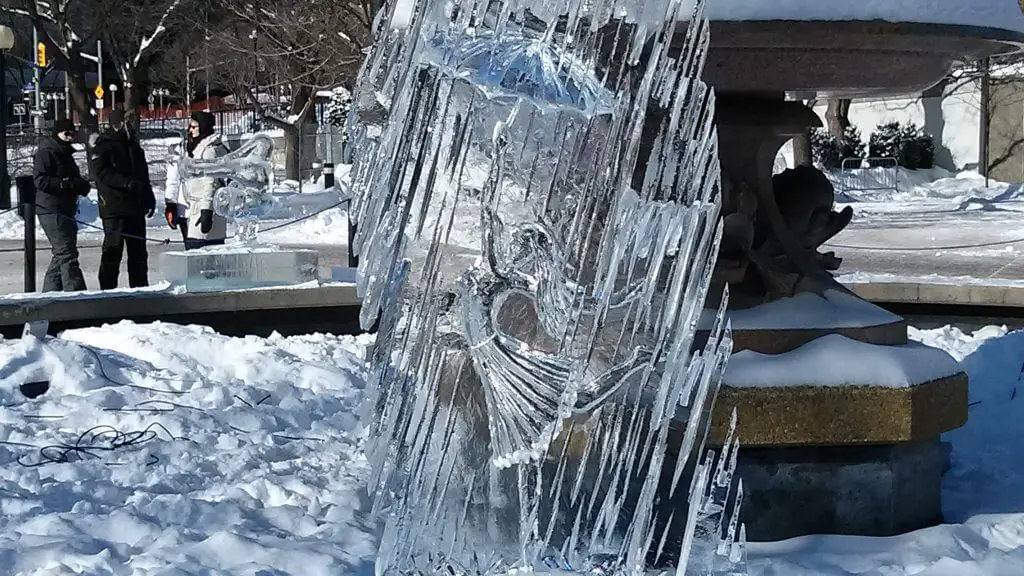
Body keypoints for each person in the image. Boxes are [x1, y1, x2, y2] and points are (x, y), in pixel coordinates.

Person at [91, 110, 156, 289]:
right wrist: (125, 183)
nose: (131, 128)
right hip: (114, 208)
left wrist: (148, 197)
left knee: (139, 254)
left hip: (135, 207)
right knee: (113, 252)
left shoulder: (134, 147)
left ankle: (140, 289)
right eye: (127, 124)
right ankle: (108, 291)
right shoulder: (103, 147)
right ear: (117, 125)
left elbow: (143, 175)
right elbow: (100, 173)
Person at [33, 118, 90, 292]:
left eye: (72, 133)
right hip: (51, 208)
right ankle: (76, 296)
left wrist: (80, 184)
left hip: (66, 208)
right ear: (57, 133)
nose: (70, 137)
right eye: (66, 133)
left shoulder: (65, 153)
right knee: (67, 254)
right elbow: (40, 180)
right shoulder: (47, 151)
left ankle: (49, 297)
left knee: (61, 255)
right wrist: (67, 183)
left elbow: (72, 179)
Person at [181, 111, 228, 250]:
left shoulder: (209, 151)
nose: (190, 130)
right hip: (196, 208)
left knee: (200, 258)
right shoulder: (197, 148)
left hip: (204, 210)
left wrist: (206, 211)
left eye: (194, 127)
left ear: (203, 127)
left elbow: (210, 183)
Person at [163, 139, 188, 244]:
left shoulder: (212, 149)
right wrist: (171, 205)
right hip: (185, 210)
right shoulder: (179, 153)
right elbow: (173, 181)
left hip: (206, 207)